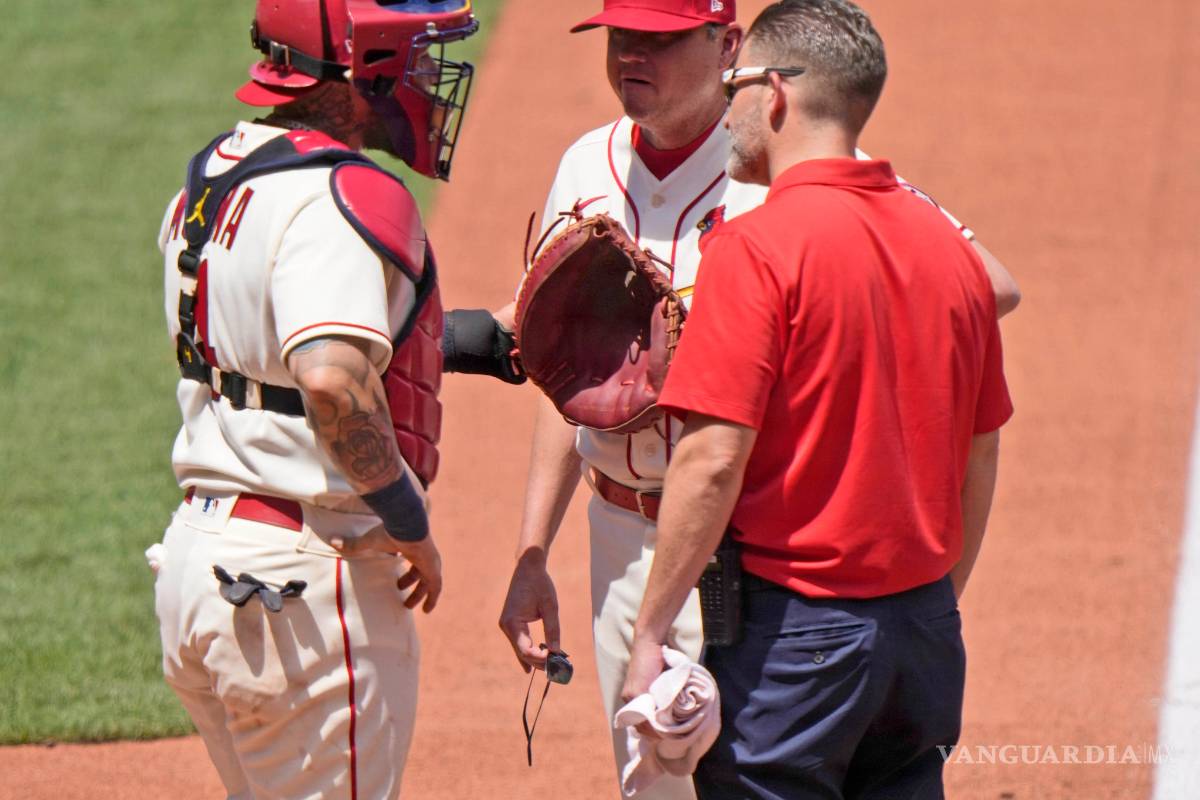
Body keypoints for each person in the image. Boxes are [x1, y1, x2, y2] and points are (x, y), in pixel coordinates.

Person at [498, 1, 1019, 797]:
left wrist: (752, 339)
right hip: (624, 539)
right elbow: (567, 371)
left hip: (748, 549)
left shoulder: (785, 164)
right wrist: (533, 551)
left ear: (729, 51)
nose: (631, 54)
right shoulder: (585, 166)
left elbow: (985, 284)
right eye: (620, 35)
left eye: (659, 40)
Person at [149, 2, 482, 797]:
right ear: (365, 68)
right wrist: (409, 522)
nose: (426, 76)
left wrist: (477, 339)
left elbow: (263, 352)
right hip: (303, 586)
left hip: (204, 565)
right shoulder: (343, 193)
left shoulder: (212, 178)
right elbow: (330, 381)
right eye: (414, 56)